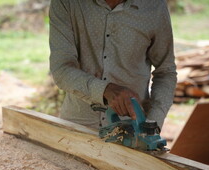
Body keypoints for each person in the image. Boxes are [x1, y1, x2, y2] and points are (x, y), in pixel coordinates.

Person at [49, 0, 177, 130]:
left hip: (133, 130)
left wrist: (152, 124)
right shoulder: (67, 3)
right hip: (77, 126)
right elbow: (61, 69)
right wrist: (105, 90)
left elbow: (166, 72)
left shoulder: (154, 6)